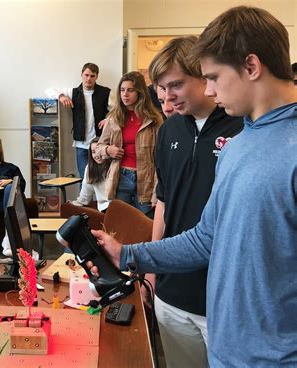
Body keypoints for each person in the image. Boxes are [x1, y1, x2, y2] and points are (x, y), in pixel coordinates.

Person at [86, 6, 296, 366]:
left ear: (251, 67)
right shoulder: (242, 144)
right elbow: (206, 238)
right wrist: (129, 255)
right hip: (227, 350)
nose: (210, 89)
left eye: (213, 76)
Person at [144, 36, 243, 368]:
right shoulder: (169, 130)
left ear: (203, 74)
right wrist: (152, 270)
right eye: (161, 88)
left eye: (176, 85)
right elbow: (163, 202)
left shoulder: (243, 126)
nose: (167, 97)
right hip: (172, 294)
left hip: (225, 300)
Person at [96, 71, 163, 216]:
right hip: (121, 177)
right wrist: (108, 150)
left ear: (140, 92)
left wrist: (157, 192)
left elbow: (161, 159)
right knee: (120, 226)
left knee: (144, 228)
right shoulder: (114, 118)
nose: (125, 94)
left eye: (130, 90)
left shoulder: (154, 120)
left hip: (146, 180)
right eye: (122, 90)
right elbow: (98, 148)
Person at [46, 62, 111, 179]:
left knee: (102, 178)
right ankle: (84, 198)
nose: (88, 79)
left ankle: (98, 198)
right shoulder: (73, 92)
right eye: (86, 75)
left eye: (92, 76)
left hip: (100, 143)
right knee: (84, 178)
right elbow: (49, 90)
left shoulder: (106, 92)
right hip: (81, 144)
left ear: (97, 76)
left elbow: (117, 111)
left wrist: (108, 119)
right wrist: (61, 96)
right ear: (81, 75)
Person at [70, 137, 111, 212]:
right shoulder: (90, 168)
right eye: (93, 152)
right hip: (104, 208)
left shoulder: (114, 166)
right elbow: (86, 193)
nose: (97, 155)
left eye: (99, 151)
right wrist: (77, 202)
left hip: (119, 206)